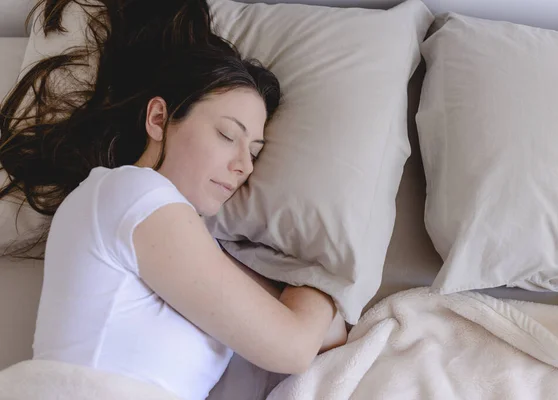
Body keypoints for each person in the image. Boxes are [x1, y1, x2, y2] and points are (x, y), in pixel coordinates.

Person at [0, 1, 348, 399]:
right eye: (226, 135)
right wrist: (326, 267)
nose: (244, 166)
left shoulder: (191, 241)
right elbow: (296, 345)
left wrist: (308, 294)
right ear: (159, 119)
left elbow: (325, 336)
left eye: (254, 151)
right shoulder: (131, 194)